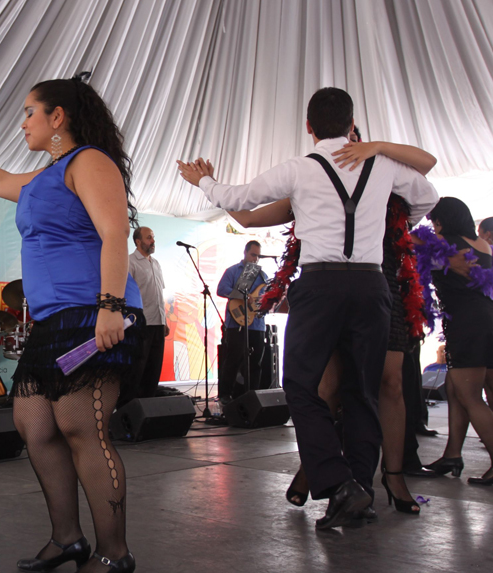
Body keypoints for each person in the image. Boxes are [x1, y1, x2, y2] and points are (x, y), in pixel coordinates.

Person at [0, 73, 144, 573]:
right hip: (52, 320)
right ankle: (67, 538)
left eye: (28, 112)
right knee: (33, 424)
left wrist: (110, 307)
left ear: (56, 117)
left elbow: (115, 232)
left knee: (82, 427)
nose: (22, 122)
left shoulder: (89, 161)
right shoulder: (46, 176)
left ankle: (114, 553)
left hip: (91, 313)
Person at [178, 87, 438, 529]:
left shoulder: (301, 168)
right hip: (373, 286)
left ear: (309, 125)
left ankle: (339, 485)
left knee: (299, 385)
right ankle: (359, 495)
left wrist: (201, 180)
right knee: (361, 391)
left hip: (320, 286)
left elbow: (239, 198)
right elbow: (427, 197)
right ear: (351, 123)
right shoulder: (383, 165)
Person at [413, 197, 493, 484]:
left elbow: (399, 239)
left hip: (466, 322)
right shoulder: (483, 245)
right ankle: (452, 455)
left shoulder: (438, 243)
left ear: (440, 220)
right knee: (456, 387)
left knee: (471, 396)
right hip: (487, 317)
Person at [119, 227, 168, 405]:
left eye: (153, 237)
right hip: (141, 324)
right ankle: (128, 410)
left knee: (153, 370)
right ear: (138, 241)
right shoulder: (130, 262)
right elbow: (126, 295)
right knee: (136, 370)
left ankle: (148, 410)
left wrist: (165, 321)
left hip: (158, 323)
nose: (152, 241)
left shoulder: (155, 263)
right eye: (149, 238)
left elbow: (159, 295)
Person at [216, 241, 268, 400]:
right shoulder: (232, 271)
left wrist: (264, 302)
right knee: (233, 359)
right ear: (245, 253)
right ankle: (225, 396)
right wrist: (244, 297)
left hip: (257, 324)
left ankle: (253, 397)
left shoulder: (263, 276)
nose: (255, 259)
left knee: (255, 363)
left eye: (258, 256)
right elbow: (221, 289)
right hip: (236, 322)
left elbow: (264, 298)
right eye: (253, 255)